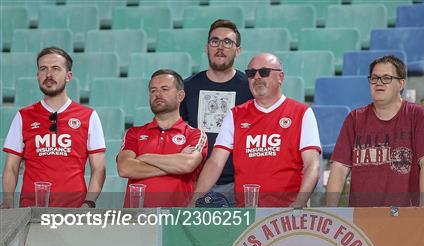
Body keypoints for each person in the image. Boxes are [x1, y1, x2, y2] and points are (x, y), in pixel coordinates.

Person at [190, 53, 321, 208]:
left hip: (287, 213)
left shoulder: (302, 113)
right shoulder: (235, 115)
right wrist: (193, 203)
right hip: (247, 213)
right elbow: (215, 163)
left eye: (264, 72)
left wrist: (299, 203)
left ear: (280, 77)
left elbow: (312, 164)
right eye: (251, 74)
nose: (257, 77)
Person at [326, 55, 424, 207]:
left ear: (401, 83)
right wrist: (331, 212)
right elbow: (339, 168)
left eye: (386, 78)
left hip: (404, 216)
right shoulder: (355, 118)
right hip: (361, 218)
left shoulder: (418, 115)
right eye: (374, 78)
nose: (378, 83)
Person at [1, 47, 106, 208]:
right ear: (37, 75)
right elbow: (11, 166)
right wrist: (8, 201)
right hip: (31, 210)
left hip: (74, 211)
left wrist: (89, 203)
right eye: (43, 69)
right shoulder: (23, 116)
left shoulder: (89, 116)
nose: (49, 75)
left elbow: (99, 168)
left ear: (68, 76)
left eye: (56, 68)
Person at [180, 19, 253, 206]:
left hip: (237, 183)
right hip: (196, 182)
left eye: (227, 42)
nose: (220, 47)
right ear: (206, 47)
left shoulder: (250, 88)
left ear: (238, 50)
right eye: (215, 41)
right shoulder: (187, 87)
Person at [117, 69, 207, 208]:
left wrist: (145, 157)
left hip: (176, 219)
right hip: (136, 217)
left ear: (180, 95)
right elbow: (125, 168)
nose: (158, 94)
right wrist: (175, 164)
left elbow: (187, 164)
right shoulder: (134, 133)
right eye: (153, 90)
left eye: (165, 89)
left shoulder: (195, 135)